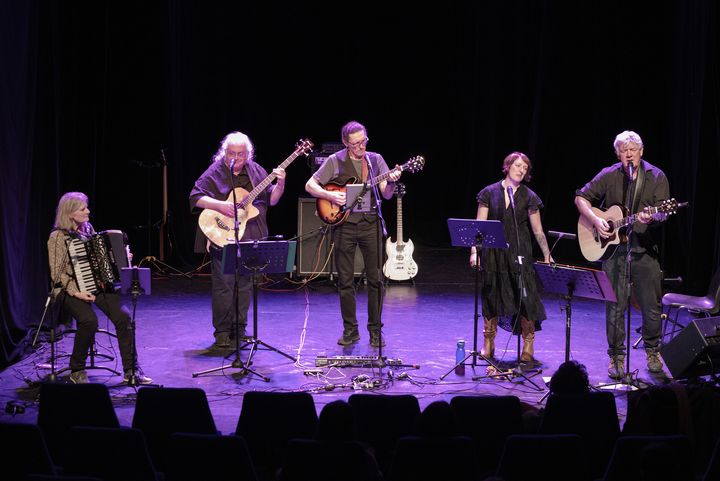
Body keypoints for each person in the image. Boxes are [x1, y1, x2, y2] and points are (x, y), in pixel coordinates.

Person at [575, 130, 670, 379]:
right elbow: (581, 197)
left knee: (651, 307)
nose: (629, 154)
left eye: (633, 149)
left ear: (641, 151)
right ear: (618, 154)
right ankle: (616, 357)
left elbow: (663, 212)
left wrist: (652, 217)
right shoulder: (609, 174)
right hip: (614, 253)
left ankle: (653, 352)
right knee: (614, 307)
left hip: (644, 250)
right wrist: (595, 220)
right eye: (624, 150)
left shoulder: (656, 176)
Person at [305, 120, 402, 347]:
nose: (361, 146)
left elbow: (386, 194)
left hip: (371, 224)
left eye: (364, 141)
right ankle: (350, 330)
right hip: (344, 225)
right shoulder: (335, 160)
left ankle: (375, 330)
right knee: (346, 281)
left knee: (376, 280)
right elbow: (310, 185)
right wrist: (330, 196)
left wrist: (391, 182)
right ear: (346, 143)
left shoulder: (375, 160)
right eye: (356, 143)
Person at [190, 131, 286, 348]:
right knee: (224, 285)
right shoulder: (215, 171)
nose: (235, 158)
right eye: (231, 153)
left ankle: (240, 329)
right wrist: (220, 205)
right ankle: (222, 332)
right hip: (222, 235)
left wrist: (280, 185)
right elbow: (195, 197)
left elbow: (271, 199)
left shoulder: (256, 171)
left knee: (245, 286)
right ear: (224, 153)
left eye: (240, 154)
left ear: (248, 154)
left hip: (250, 235)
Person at [47, 192, 152, 384]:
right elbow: (57, 275)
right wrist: (77, 292)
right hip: (68, 288)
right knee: (89, 321)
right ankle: (76, 369)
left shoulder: (87, 229)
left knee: (123, 317)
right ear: (70, 213)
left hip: (95, 284)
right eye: (83, 209)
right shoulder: (57, 237)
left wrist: (122, 259)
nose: (88, 211)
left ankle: (131, 371)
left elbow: (100, 258)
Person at [469, 152, 552, 364]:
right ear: (507, 166)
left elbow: (538, 230)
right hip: (493, 253)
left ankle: (528, 343)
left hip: (520, 253)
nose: (521, 170)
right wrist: (474, 252)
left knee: (526, 297)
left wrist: (546, 253)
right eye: (517, 165)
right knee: (491, 296)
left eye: (525, 167)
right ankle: (488, 341)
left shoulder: (529, 197)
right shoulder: (488, 193)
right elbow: (479, 227)